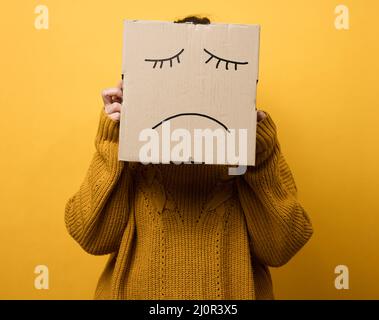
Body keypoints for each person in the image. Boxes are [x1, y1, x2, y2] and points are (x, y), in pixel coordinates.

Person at [64, 16, 313, 300]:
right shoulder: (130, 144)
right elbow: (91, 236)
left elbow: (282, 246)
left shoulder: (250, 149)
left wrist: (259, 150)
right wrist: (113, 138)